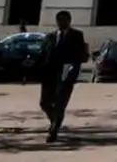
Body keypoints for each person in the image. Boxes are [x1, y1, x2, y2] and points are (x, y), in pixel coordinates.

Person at [39, 10, 88, 143]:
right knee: (44, 103)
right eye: (59, 19)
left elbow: (81, 55)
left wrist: (74, 68)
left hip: (66, 75)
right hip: (49, 76)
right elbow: (43, 55)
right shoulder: (50, 37)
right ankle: (55, 121)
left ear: (69, 21)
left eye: (64, 19)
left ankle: (53, 131)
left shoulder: (77, 36)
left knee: (60, 104)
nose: (62, 22)